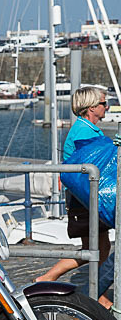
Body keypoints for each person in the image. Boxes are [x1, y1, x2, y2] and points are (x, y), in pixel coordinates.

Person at [36, 86, 112, 308]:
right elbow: (100, 163)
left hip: (87, 197)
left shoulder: (89, 128)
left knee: (100, 248)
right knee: (94, 250)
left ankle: (95, 295)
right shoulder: (84, 133)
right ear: (91, 108)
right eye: (103, 103)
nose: (106, 107)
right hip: (84, 200)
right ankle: (53, 280)